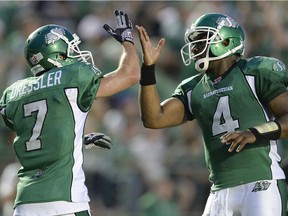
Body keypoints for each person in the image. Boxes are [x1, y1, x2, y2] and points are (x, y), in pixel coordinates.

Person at [136, 12, 288, 216]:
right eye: (194, 42)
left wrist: (255, 132)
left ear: (225, 40)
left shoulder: (255, 71)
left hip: (261, 183)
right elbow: (154, 118)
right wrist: (148, 68)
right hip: (219, 191)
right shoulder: (193, 87)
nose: (195, 47)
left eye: (202, 40)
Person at [0, 10, 139, 216]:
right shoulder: (72, 77)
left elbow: (37, 134)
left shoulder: (12, 94)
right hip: (64, 201)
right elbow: (130, 74)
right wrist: (127, 41)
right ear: (55, 54)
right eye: (69, 50)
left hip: (24, 204)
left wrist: (77, 140)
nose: (74, 54)